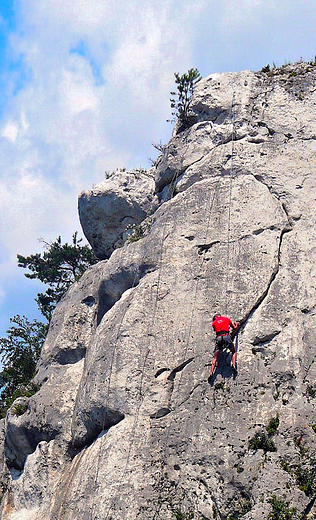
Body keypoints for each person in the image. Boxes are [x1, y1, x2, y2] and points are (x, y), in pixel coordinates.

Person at [209, 313, 240, 379]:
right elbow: (234, 328)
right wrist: (237, 324)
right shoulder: (226, 319)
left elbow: (215, 330)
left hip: (219, 338)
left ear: (215, 318)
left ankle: (211, 372)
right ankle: (234, 365)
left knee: (215, 357)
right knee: (233, 351)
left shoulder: (214, 323)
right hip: (226, 336)